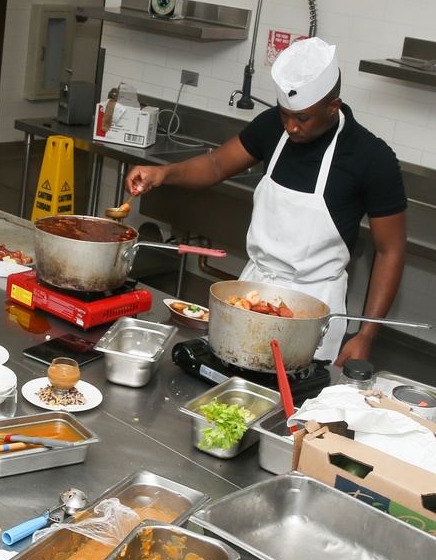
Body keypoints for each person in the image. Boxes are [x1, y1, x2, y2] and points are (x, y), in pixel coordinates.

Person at [125, 37, 407, 367]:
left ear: (333, 105)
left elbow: (391, 250)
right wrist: (164, 174)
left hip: (313, 307)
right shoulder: (273, 126)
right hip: (253, 294)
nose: (290, 126)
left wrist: (367, 334)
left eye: (301, 118)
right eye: (285, 114)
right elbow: (217, 164)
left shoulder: (371, 158)